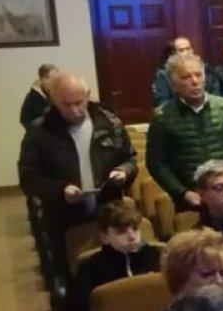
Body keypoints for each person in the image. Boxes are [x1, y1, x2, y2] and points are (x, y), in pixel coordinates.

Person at [18, 72, 137, 274]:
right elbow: (28, 178)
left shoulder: (110, 123)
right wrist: (60, 190)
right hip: (63, 220)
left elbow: (130, 159)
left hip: (108, 213)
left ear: (88, 95)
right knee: (72, 276)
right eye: (66, 104)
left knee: (113, 275)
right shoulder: (39, 131)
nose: (74, 110)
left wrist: (123, 172)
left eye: (79, 103)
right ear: (53, 100)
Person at [147, 52, 223, 211]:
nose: (195, 81)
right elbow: (156, 162)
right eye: (186, 77)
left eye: (198, 75)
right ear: (173, 84)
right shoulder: (162, 116)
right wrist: (182, 193)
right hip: (190, 200)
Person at [72, 201, 161, 311]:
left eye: (135, 229)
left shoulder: (154, 255)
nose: (132, 236)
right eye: (121, 231)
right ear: (105, 237)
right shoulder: (91, 267)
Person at [151, 37, 223, 106]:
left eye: (188, 49)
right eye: (181, 50)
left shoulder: (206, 69)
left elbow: (216, 95)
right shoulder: (163, 73)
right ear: (173, 53)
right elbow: (161, 101)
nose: (186, 52)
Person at [19, 62, 57, 126]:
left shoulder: (62, 94)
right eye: (48, 78)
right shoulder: (32, 97)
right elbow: (24, 120)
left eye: (56, 78)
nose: (53, 81)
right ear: (42, 79)